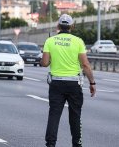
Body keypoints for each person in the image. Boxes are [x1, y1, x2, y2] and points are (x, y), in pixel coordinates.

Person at [40, 14, 96, 147]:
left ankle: (50, 144)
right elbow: (85, 65)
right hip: (74, 84)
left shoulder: (50, 41)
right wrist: (92, 83)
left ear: (58, 26)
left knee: (54, 115)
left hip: (56, 84)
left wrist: (45, 59)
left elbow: (45, 63)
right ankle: (77, 144)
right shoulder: (78, 41)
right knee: (75, 116)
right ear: (72, 26)